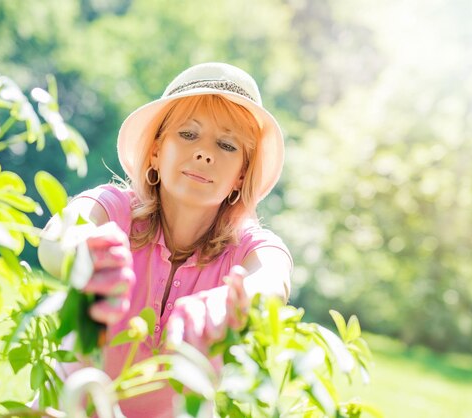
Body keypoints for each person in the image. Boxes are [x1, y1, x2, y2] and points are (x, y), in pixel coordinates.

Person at [38, 62, 292, 417]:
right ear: (156, 150)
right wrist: (83, 253)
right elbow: (59, 236)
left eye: (226, 145)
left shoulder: (249, 247)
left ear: (241, 175)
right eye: (188, 135)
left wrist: (235, 301)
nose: (205, 153)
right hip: (65, 409)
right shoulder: (115, 208)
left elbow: (272, 281)